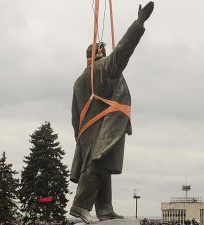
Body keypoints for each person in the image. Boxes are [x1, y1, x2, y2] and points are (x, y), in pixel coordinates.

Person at [69, 1, 154, 224]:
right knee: (97, 165)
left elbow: (74, 115)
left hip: (86, 132)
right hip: (103, 125)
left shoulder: (79, 81)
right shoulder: (105, 67)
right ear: (101, 54)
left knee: (102, 164)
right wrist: (139, 23)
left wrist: (79, 138)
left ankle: (104, 209)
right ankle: (80, 206)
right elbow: (124, 49)